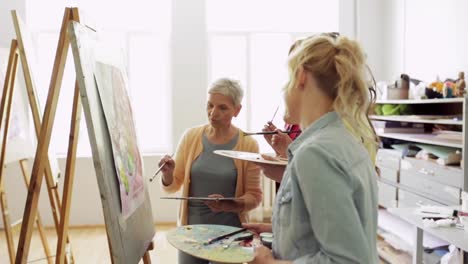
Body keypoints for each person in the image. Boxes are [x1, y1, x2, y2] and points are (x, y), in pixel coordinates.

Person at [245, 33, 379, 263]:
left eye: (286, 79)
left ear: (301, 77)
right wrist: (280, 229)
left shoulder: (316, 153)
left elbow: (347, 260)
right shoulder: (343, 141)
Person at [158, 78, 262, 264]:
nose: (213, 113)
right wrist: (167, 173)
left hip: (230, 233)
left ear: (237, 110)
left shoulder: (248, 144)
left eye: (223, 108)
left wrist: (230, 205)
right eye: (210, 105)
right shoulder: (191, 136)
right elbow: (172, 185)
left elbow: (254, 196)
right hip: (191, 232)